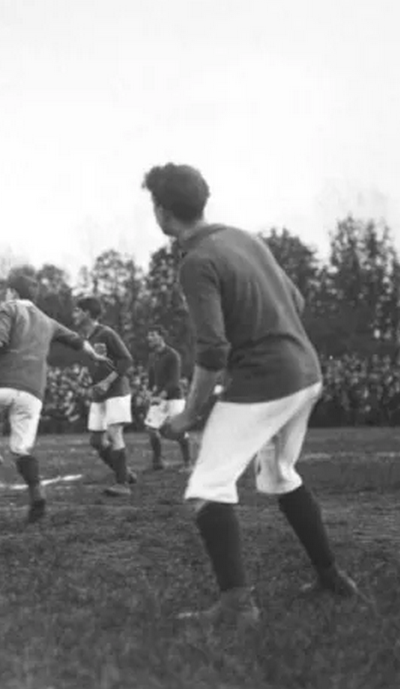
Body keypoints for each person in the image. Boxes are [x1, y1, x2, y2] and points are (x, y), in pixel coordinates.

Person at [143, 162, 361, 628]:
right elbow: (296, 301)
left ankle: (237, 605)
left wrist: (189, 414)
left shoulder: (196, 261)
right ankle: (331, 577)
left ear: (161, 210)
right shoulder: (244, 238)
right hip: (306, 371)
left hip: (267, 378)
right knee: (280, 474)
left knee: (208, 485)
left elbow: (212, 350)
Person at [0, 272, 107, 522]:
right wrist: (95, 356)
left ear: (12, 292)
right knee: (21, 449)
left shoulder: (8, 307)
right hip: (34, 392)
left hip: (1, 384)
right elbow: (79, 342)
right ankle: (37, 495)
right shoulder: (48, 321)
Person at [74, 296, 138, 496]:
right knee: (96, 440)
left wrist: (107, 381)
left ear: (87, 313)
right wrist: (85, 373)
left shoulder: (107, 333)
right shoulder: (86, 338)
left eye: (77, 310)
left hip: (116, 391)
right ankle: (124, 472)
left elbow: (126, 360)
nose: (74, 314)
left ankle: (122, 484)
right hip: (99, 394)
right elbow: (94, 362)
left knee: (113, 433)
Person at [143, 329, 192, 471]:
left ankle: (188, 463)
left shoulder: (173, 355)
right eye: (148, 335)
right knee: (151, 429)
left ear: (161, 337)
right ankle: (158, 461)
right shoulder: (152, 357)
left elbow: (174, 381)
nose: (149, 338)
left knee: (177, 430)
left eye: (152, 335)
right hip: (159, 398)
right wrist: (148, 393)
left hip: (174, 398)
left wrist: (160, 396)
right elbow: (151, 380)